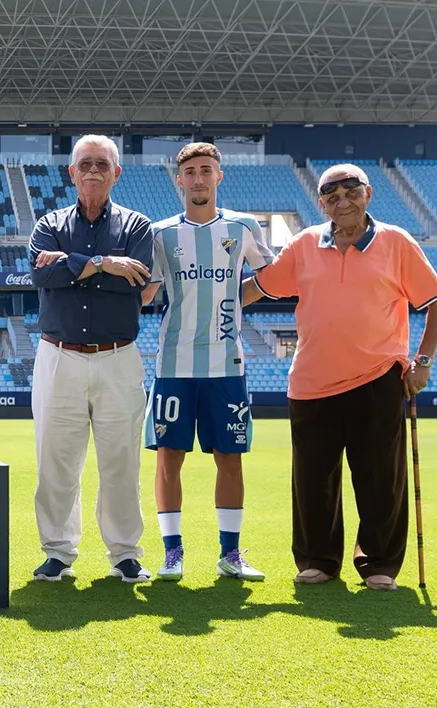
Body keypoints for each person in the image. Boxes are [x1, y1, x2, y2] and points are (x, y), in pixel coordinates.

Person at [243, 163, 437, 591]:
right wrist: (206, 302)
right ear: (322, 204)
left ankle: (379, 563)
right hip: (310, 383)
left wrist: (423, 362)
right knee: (313, 481)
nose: (343, 201)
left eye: (351, 192)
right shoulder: (303, 245)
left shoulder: (396, 242)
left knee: (380, 481)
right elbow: (258, 287)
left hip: (376, 379)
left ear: (368, 194)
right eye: (332, 196)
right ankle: (319, 559)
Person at [141, 142, 275, 582]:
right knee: (168, 458)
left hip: (226, 364)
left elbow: (271, 277)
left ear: (219, 176)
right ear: (179, 179)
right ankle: (172, 552)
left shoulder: (242, 226)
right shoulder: (160, 234)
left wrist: (237, 297)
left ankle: (230, 554)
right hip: (174, 365)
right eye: (191, 172)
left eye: (206, 170)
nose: (199, 178)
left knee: (230, 458)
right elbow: (147, 293)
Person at [29, 135, 155, 584]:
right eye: (85, 163)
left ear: (117, 173)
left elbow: (134, 283)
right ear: (72, 173)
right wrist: (105, 263)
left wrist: (74, 267)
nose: (93, 170)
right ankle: (58, 552)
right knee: (55, 460)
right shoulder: (48, 224)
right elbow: (42, 274)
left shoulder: (138, 227)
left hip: (117, 357)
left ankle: (124, 553)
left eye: (102, 163)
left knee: (121, 460)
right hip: (58, 355)